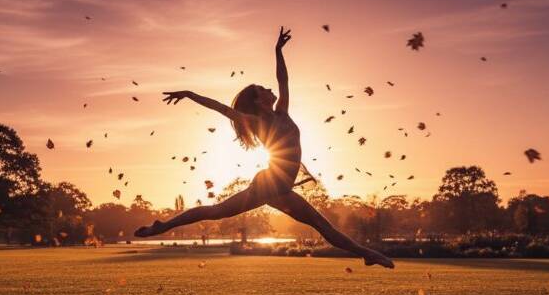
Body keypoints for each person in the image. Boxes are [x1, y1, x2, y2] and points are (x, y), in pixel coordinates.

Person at [135, 27, 394, 268]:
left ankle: (366, 254)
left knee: (222, 212)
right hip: (271, 185)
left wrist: (278, 51)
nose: (269, 88)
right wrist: (190, 94)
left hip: (279, 186)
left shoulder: (282, 112)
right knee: (223, 212)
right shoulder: (256, 123)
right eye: (262, 89)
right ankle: (367, 254)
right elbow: (221, 108)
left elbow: (283, 81)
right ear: (258, 101)